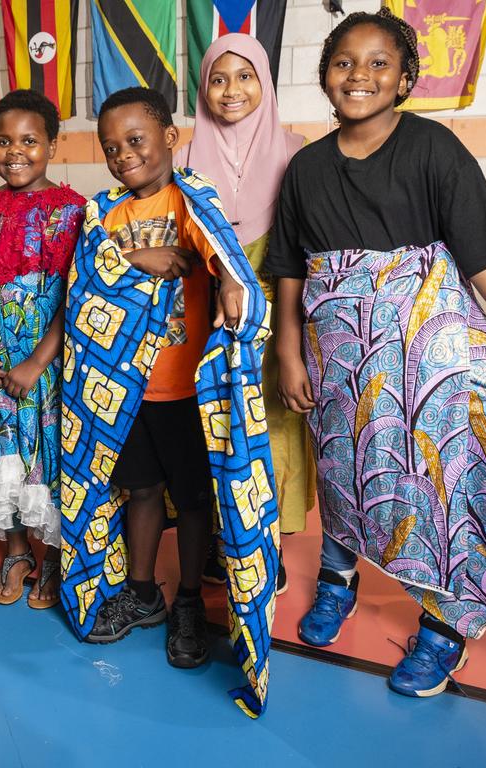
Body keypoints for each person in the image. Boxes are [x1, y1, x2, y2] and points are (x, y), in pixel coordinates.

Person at [268, 8, 486, 698]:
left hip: (427, 356)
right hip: (339, 358)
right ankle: (339, 580)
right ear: (323, 75)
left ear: (405, 79)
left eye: (378, 64)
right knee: (345, 474)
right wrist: (287, 349)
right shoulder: (306, 167)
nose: (359, 76)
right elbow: (287, 266)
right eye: (343, 62)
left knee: (439, 482)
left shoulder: (434, 149)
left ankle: (444, 626)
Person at [60, 87, 280, 717]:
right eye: (110, 147)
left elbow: (219, 253)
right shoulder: (101, 212)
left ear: (170, 138)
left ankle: (187, 599)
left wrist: (234, 286)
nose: (123, 156)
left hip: (186, 387)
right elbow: (86, 279)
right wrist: (138, 258)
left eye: (136, 141)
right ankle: (141, 591)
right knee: (140, 490)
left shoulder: (191, 198)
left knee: (192, 496)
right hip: (122, 390)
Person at [177, 34, 314, 591]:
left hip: (277, 314)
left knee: (272, 428)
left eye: (245, 76)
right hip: (206, 316)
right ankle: (219, 539)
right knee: (213, 424)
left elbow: (304, 249)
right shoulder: (183, 159)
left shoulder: (296, 152)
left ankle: (268, 545)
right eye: (217, 79)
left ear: (266, 82)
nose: (230, 90)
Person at [0, 89, 85, 608]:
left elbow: (77, 298)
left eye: (30, 140)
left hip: (43, 365)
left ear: (53, 144)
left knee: (45, 458)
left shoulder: (72, 212)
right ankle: (18, 549)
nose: (15, 152)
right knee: (1, 453)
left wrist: (38, 359)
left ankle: (53, 560)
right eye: (3, 141)